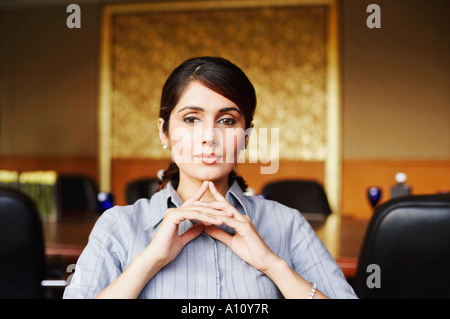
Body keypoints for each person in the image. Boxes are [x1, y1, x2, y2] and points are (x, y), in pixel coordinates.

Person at [63, 56, 357, 299]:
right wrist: (150, 261)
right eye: (191, 119)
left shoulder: (287, 223)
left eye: (227, 121)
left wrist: (272, 265)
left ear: (245, 137)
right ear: (164, 132)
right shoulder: (118, 226)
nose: (209, 137)